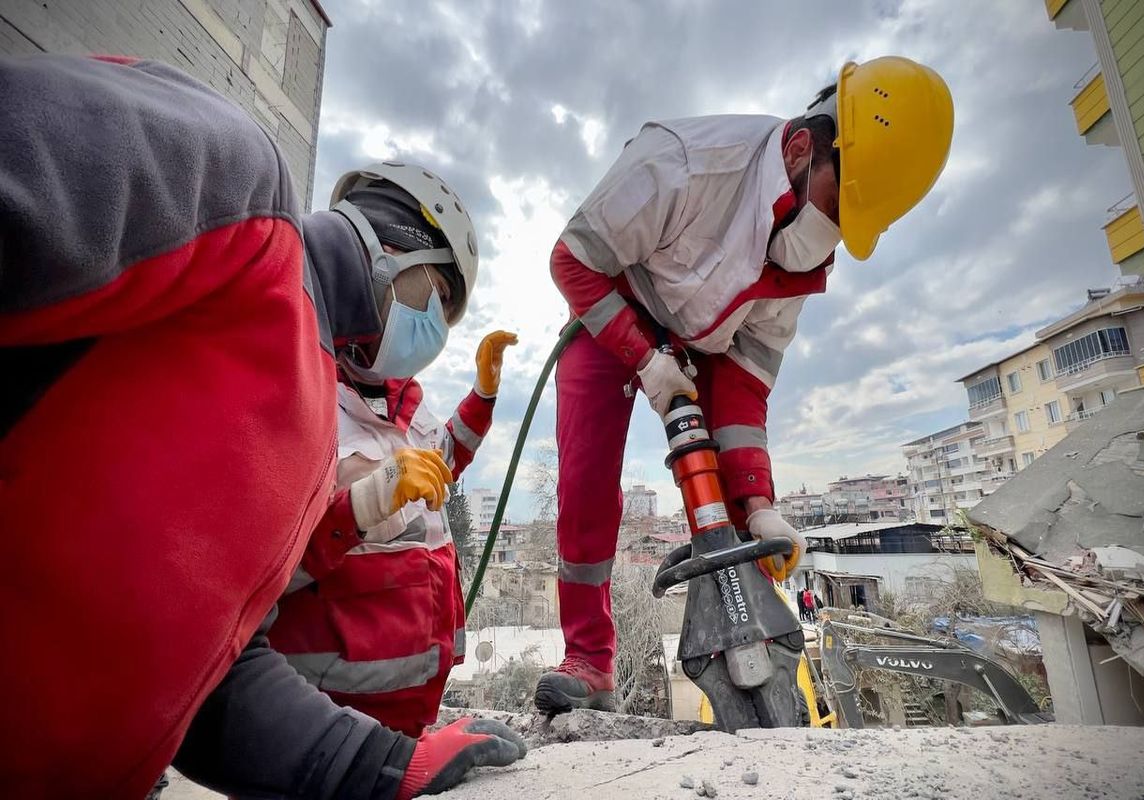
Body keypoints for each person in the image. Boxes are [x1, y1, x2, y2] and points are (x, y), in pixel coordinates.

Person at [0, 54, 522, 798]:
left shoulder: (303, 435)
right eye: (436, 299)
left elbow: (212, 662)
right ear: (398, 245)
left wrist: (371, 767)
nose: (431, 333)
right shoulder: (242, 191)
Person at [537, 56, 954, 714]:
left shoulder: (801, 264)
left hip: (710, 339)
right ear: (799, 150)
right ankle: (590, 658)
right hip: (613, 300)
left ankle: (757, 672)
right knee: (586, 477)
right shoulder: (678, 165)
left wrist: (759, 503)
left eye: (853, 223)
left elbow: (745, 386)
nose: (835, 235)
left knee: (733, 501)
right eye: (837, 206)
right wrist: (646, 361)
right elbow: (574, 261)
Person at [271, 322, 517, 736]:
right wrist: (368, 501)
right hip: (329, 715)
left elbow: (446, 457)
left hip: (411, 701)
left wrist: (483, 395)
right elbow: (272, 564)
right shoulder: (305, 400)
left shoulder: (407, 401)